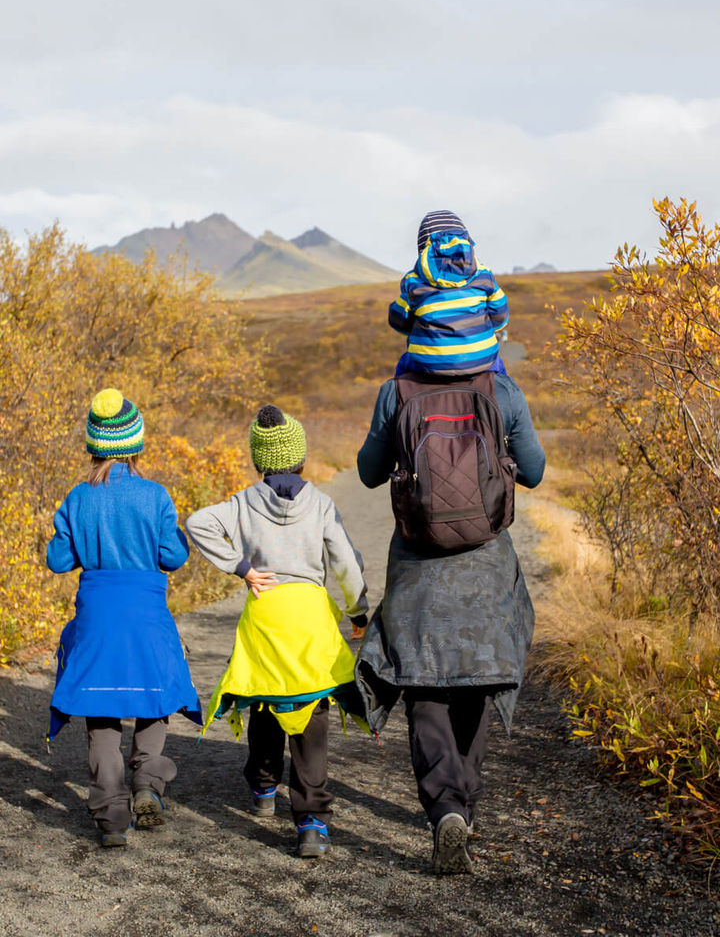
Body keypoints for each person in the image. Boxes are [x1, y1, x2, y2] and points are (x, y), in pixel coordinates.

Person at [355, 355, 545, 874]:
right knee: (475, 679)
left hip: (418, 565)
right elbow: (535, 470)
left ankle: (445, 809)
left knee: (425, 684)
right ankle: (465, 802)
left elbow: (368, 473)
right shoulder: (501, 390)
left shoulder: (396, 391)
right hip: (485, 566)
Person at [185, 404, 369, 859]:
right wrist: (358, 611)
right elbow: (344, 562)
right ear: (301, 458)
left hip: (265, 612)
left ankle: (264, 790)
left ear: (258, 460)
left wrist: (242, 569)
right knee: (310, 713)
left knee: (265, 699)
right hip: (308, 616)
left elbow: (197, 523)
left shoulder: (243, 502)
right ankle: (311, 821)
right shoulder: (322, 504)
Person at [46, 388, 202, 848]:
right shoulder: (154, 496)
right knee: (157, 696)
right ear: (135, 445)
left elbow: (57, 560)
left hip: (97, 614)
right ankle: (148, 783)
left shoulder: (77, 497)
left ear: (94, 446)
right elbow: (172, 557)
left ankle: (111, 819)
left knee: (101, 710)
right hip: (145, 611)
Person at [389, 210, 509, 378]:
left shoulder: (413, 281)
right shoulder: (484, 274)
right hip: (482, 359)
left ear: (422, 246)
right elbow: (500, 315)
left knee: (403, 366)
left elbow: (398, 322)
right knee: (501, 372)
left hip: (426, 363)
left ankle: (400, 403)